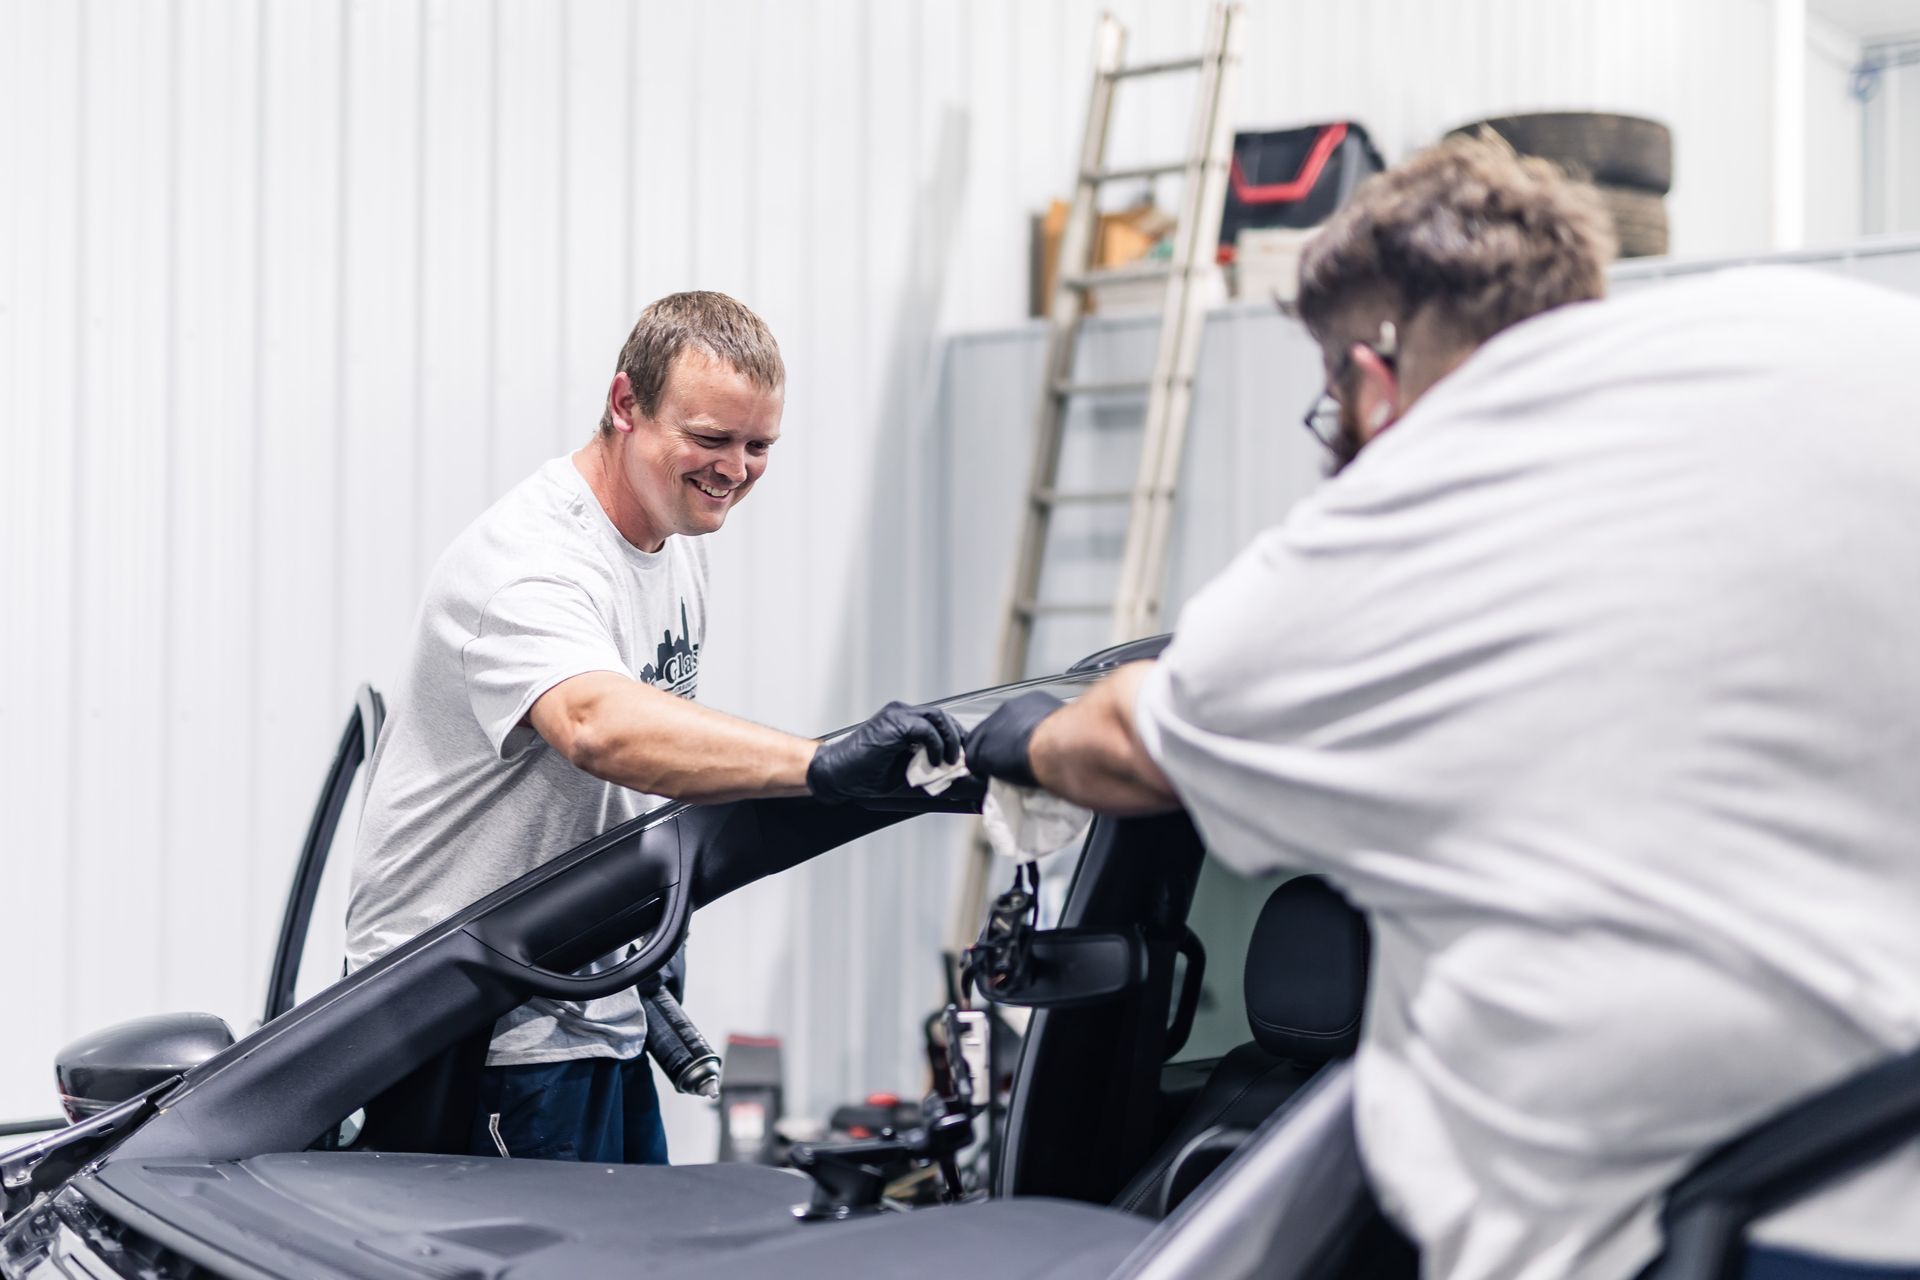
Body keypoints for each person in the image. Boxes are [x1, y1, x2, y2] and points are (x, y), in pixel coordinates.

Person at [964, 137, 1920, 1280]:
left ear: (1371, 379)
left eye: (1333, 413)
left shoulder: (1418, 509)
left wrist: (1009, 736)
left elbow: (1124, 739)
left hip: (1722, 1234)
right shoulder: (1823, 336)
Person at [345, 291, 960, 1166]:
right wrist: (824, 766)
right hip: (477, 1032)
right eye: (710, 440)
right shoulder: (527, 565)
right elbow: (598, 725)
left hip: (591, 1006)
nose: (735, 470)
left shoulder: (676, 538)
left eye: (759, 446)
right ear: (625, 404)